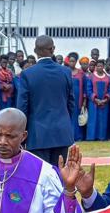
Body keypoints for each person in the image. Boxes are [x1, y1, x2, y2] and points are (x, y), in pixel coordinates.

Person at [15, 35, 75, 166]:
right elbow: (71, 104)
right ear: (53, 49)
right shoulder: (65, 72)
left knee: (39, 177)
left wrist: (22, 134)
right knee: (59, 175)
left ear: (35, 51)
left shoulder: (27, 74)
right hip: (61, 132)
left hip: (37, 135)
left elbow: (22, 108)